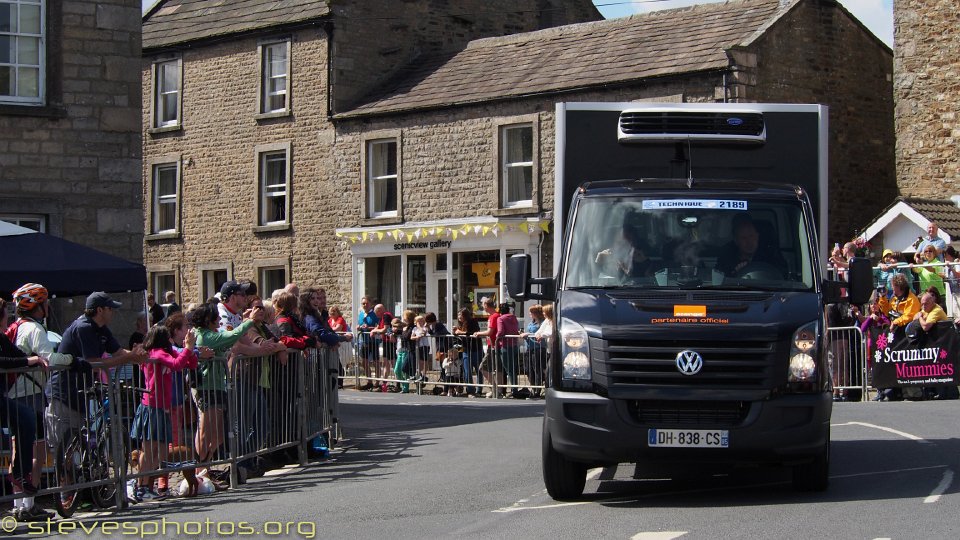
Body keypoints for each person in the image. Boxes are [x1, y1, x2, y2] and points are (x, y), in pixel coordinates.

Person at [46, 292, 148, 455]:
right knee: (64, 450)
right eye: (110, 309)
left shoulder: (101, 329)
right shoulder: (83, 327)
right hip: (65, 393)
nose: (113, 312)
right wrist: (130, 356)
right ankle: (67, 479)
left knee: (80, 443)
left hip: (81, 392)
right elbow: (93, 363)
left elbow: (119, 352)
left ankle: (88, 474)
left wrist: (140, 356)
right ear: (99, 310)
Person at [8, 283, 69, 520]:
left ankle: (18, 503)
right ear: (37, 305)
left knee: (18, 449)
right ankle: (29, 503)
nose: (48, 306)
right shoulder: (35, 329)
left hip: (14, 392)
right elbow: (50, 358)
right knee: (38, 448)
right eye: (45, 302)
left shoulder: (16, 327)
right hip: (30, 393)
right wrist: (72, 360)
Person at [129, 323, 199, 501]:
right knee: (150, 449)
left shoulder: (166, 352)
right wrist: (188, 349)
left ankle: (145, 486)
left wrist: (188, 349)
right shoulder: (157, 353)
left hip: (163, 407)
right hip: (152, 406)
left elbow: (189, 363)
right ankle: (141, 486)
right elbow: (176, 365)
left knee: (160, 451)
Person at [2, 296, 50, 522]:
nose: (8, 318)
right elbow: (5, 360)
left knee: (26, 420)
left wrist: (30, 359)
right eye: (5, 314)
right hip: (16, 395)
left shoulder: (5, 334)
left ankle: (19, 475)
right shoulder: (29, 328)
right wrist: (32, 361)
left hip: (6, 396)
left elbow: (16, 355)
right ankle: (20, 483)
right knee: (27, 421)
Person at [716, 214, 787, 277]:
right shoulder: (726, 257)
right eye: (743, 238)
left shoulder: (770, 255)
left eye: (751, 236)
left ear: (757, 236)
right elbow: (719, 281)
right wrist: (735, 273)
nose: (749, 242)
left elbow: (782, 276)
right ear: (736, 241)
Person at [473, 297, 502, 397]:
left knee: (483, 367)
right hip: (493, 345)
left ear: (486, 305)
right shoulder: (494, 316)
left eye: (483, 305)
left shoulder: (494, 316)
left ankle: (495, 389)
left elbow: (490, 332)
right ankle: (497, 390)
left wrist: (478, 333)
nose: (483, 307)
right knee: (496, 368)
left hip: (493, 345)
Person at [495, 303, 521, 398]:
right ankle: (514, 388)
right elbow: (516, 329)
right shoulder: (513, 317)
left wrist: (496, 337)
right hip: (514, 345)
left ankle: (513, 390)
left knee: (508, 369)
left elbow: (501, 331)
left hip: (505, 346)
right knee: (513, 369)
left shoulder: (500, 318)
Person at [453, 308, 482, 396]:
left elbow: (473, 333)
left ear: (465, 315)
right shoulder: (460, 324)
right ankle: (470, 390)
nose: (459, 317)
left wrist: (460, 332)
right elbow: (458, 338)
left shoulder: (473, 321)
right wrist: (455, 333)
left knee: (478, 369)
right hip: (465, 349)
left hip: (476, 349)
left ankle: (479, 389)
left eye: (460, 315)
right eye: (458, 315)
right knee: (467, 370)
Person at [520, 304, 546, 398]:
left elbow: (540, 333)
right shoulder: (531, 323)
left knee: (537, 369)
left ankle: (537, 390)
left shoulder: (542, 323)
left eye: (532, 312)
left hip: (538, 348)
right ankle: (533, 387)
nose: (530, 314)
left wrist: (528, 334)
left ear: (536, 313)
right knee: (528, 369)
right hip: (529, 348)